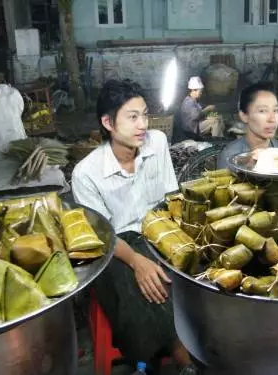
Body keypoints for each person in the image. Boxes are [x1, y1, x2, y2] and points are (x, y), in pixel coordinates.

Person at [72, 79, 197, 374]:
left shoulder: (157, 142)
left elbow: (169, 199)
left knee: (182, 277)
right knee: (144, 284)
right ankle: (181, 361)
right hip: (114, 245)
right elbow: (104, 237)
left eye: (145, 114)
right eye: (132, 117)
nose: (143, 124)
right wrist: (137, 261)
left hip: (158, 228)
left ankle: (152, 360)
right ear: (108, 123)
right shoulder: (86, 173)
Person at [217, 81, 278, 169]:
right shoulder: (230, 156)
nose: (272, 119)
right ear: (244, 116)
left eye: (275, 110)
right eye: (262, 111)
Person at [171, 76, 223, 143]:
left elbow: (200, 111)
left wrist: (211, 113)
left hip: (197, 123)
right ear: (193, 90)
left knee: (219, 117)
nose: (201, 93)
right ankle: (216, 142)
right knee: (215, 121)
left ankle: (222, 139)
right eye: (200, 91)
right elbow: (197, 116)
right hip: (192, 129)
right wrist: (207, 109)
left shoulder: (194, 100)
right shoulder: (188, 102)